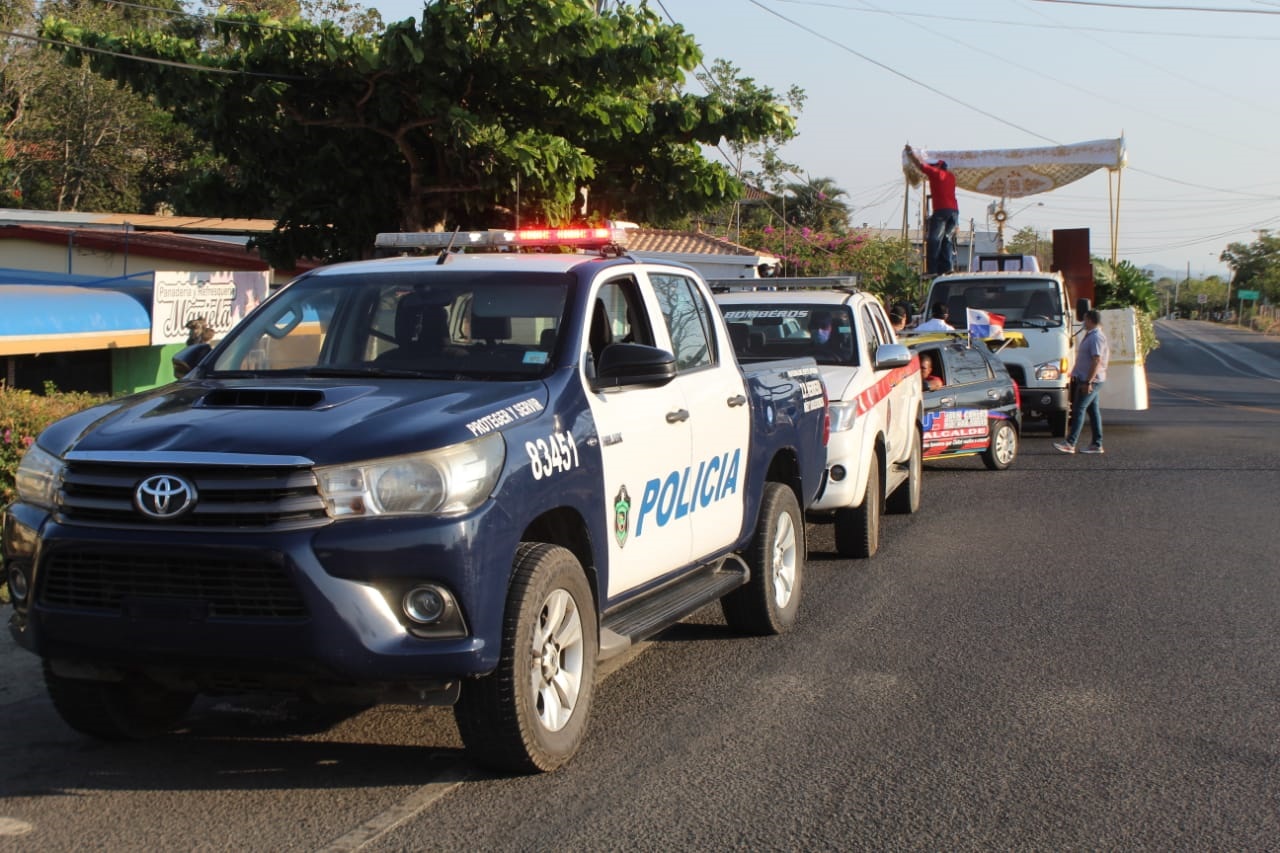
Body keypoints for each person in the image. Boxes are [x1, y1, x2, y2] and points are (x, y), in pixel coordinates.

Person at [1055, 309, 1109, 455]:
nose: (1083, 323)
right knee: (1093, 411)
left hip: (1091, 380)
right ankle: (1097, 444)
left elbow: (1096, 360)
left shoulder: (1096, 337)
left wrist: (1088, 382)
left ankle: (1070, 443)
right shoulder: (1092, 335)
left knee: (1079, 409)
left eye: (1084, 320)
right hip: (1088, 378)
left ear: (1090, 320)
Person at [904, 144, 960, 275]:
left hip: (941, 211)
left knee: (934, 240)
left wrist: (910, 153)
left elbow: (920, 165)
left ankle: (933, 270)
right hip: (954, 212)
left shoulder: (935, 173)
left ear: (937, 167)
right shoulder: (951, 177)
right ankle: (947, 268)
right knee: (946, 239)